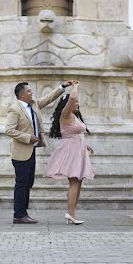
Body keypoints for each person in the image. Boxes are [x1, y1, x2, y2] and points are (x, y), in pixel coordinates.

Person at [4, 80, 71, 224]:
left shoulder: (33, 104)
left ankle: (23, 213)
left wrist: (62, 87)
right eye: (29, 91)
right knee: (21, 183)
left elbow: (48, 98)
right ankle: (19, 214)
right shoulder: (14, 109)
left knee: (28, 182)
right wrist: (28, 137)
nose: (31, 93)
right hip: (20, 153)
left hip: (31, 151)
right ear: (21, 95)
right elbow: (9, 130)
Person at [44, 82, 95, 225]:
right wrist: (75, 87)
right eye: (76, 102)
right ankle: (70, 213)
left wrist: (86, 146)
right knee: (74, 182)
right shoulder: (65, 115)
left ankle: (72, 213)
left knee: (78, 182)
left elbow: (76, 135)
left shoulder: (74, 116)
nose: (77, 104)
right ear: (68, 104)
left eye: (78, 102)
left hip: (78, 150)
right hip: (71, 152)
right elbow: (71, 99)